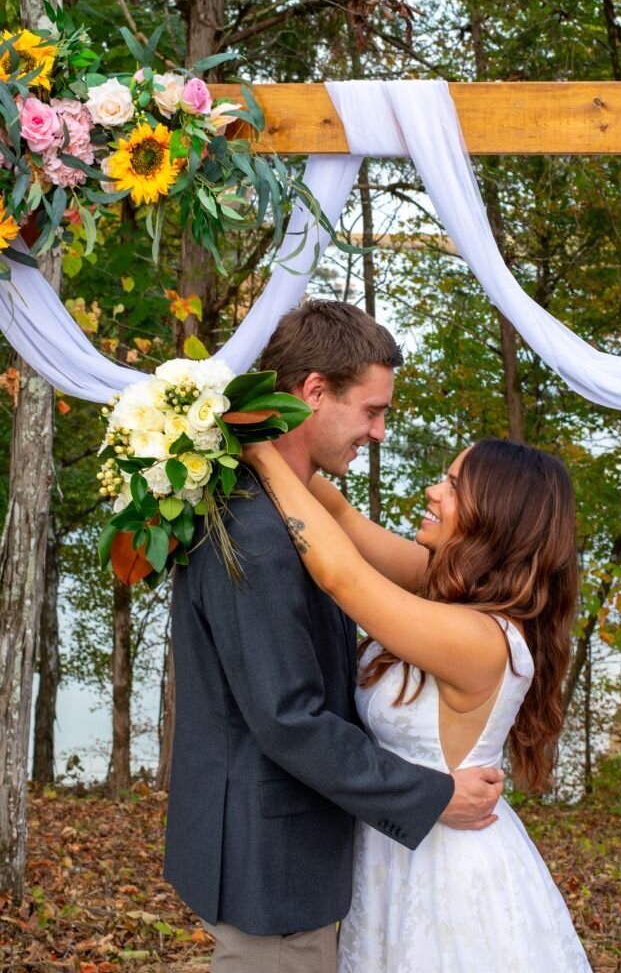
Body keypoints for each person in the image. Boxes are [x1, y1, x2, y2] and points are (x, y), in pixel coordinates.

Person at [163, 300, 504, 973]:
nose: (378, 432)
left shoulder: (272, 507)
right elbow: (291, 719)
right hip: (272, 869)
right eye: (372, 411)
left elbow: (352, 547)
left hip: (280, 854)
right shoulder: (257, 536)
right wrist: (431, 794)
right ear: (314, 392)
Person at [242, 434, 593, 971]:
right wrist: (249, 432)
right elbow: (341, 518)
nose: (431, 491)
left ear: (494, 515)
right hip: (396, 852)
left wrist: (260, 454)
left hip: (446, 873)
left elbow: (341, 575)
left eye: (452, 486)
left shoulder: (483, 639)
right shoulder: (442, 585)